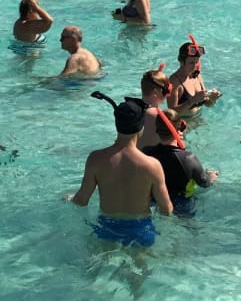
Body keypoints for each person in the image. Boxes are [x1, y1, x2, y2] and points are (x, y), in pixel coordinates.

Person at [71, 93, 173, 247]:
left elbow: (81, 200)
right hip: (141, 228)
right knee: (139, 269)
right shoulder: (152, 165)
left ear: (117, 124)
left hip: (107, 227)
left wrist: (69, 198)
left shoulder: (96, 159)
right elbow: (166, 209)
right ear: (141, 127)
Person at [143, 112, 216, 216]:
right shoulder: (188, 158)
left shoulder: (146, 152)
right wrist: (211, 176)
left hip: (154, 201)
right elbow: (204, 183)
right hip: (182, 203)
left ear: (157, 130)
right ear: (179, 130)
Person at [168, 40, 221, 118]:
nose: (194, 66)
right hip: (183, 124)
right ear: (181, 62)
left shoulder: (197, 76)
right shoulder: (174, 82)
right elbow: (171, 114)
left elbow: (207, 104)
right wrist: (192, 100)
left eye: (197, 62)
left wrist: (213, 99)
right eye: (191, 63)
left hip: (198, 119)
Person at [137, 68, 172, 150]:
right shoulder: (158, 116)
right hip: (151, 160)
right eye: (166, 91)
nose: (167, 95)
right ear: (155, 93)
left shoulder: (133, 110)